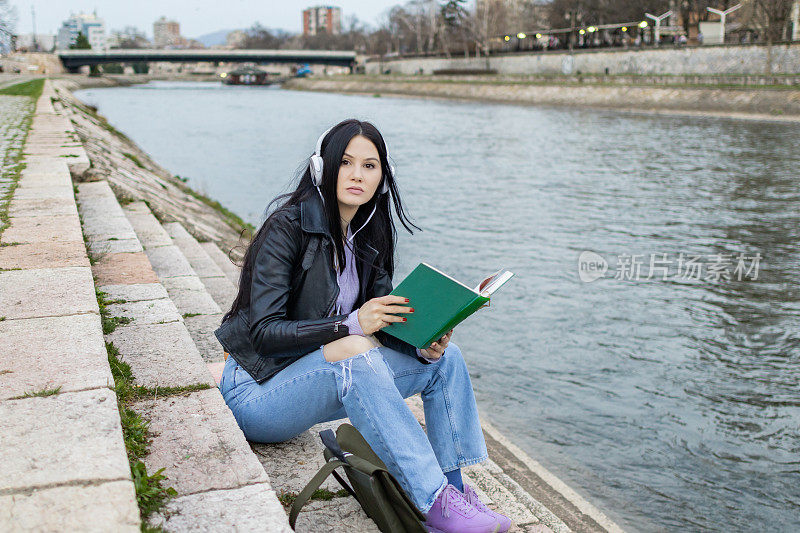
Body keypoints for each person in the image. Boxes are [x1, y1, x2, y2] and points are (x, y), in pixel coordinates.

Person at [215, 119, 512, 533]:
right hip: (258, 395)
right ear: (323, 168)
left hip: (316, 381)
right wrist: (352, 323)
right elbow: (265, 333)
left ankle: (453, 489)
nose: (357, 174)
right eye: (346, 162)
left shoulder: (370, 234)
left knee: (444, 361)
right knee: (356, 349)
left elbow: (382, 322)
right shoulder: (286, 229)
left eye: (369, 166)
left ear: (381, 176)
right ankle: (432, 502)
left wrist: (422, 345)